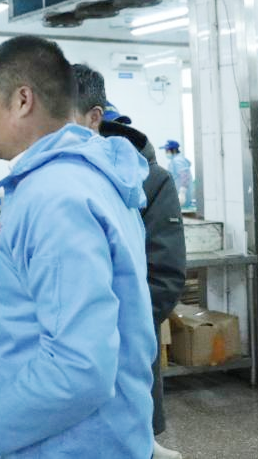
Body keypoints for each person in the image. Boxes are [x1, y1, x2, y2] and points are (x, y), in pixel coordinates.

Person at [0, 36, 156, 459]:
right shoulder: (90, 176)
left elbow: (79, 366)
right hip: (90, 434)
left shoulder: (56, 195)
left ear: (22, 100)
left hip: (68, 444)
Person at [73, 64, 187, 459]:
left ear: (94, 118)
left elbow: (164, 276)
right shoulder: (56, 177)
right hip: (64, 364)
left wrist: (109, 332)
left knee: (127, 441)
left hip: (124, 353)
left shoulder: (151, 181)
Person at [161, 140, 194, 207]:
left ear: (174, 150)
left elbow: (185, 176)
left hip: (182, 197)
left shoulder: (178, 160)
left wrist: (182, 192)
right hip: (178, 195)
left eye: (167, 150)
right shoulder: (175, 160)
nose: (166, 152)